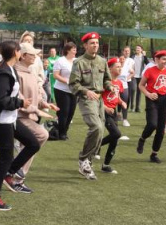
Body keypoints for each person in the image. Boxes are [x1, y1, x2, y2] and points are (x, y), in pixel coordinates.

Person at [0, 40, 35, 210]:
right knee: (5, 158)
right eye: (20, 51)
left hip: (10, 119)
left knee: (33, 143)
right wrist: (20, 103)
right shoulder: (4, 73)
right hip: (2, 121)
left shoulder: (9, 69)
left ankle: (9, 174)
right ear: (16, 52)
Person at [69, 32, 113, 180]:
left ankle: (88, 162)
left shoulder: (102, 61)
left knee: (100, 132)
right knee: (96, 127)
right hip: (86, 99)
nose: (95, 45)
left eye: (97, 43)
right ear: (85, 45)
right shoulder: (79, 62)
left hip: (100, 100)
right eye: (92, 43)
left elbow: (107, 79)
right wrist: (86, 91)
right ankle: (83, 159)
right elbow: (73, 84)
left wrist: (110, 86)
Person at [14, 42, 58, 181]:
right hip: (18, 116)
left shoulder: (30, 71)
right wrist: (38, 111)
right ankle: (16, 170)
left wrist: (44, 103)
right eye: (32, 54)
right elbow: (18, 98)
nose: (35, 56)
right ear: (23, 55)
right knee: (41, 135)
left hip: (29, 115)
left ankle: (17, 175)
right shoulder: (16, 73)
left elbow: (35, 95)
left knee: (28, 144)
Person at [137, 50, 166, 164]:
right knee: (152, 124)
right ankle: (142, 139)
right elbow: (141, 85)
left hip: (164, 100)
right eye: (163, 59)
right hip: (152, 99)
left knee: (161, 129)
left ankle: (154, 154)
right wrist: (148, 94)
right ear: (157, 60)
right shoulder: (149, 71)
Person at [98, 58, 125, 173]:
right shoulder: (104, 82)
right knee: (116, 133)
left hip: (113, 111)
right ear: (110, 68)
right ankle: (97, 146)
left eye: (120, 66)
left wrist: (121, 102)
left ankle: (106, 165)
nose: (120, 68)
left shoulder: (119, 82)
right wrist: (106, 108)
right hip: (104, 111)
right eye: (117, 66)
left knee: (115, 138)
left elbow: (116, 96)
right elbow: (97, 98)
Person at [52, 42, 77, 140]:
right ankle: (62, 133)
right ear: (67, 50)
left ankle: (64, 130)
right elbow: (56, 75)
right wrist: (67, 81)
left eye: (75, 48)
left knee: (71, 112)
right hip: (61, 90)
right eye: (73, 48)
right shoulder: (60, 60)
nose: (75, 50)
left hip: (73, 90)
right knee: (64, 112)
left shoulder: (76, 61)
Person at [117, 46, 135, 126]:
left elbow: (132, 72)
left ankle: (125, 120)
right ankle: (114, 117)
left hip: (124, 86)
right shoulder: (116, 66)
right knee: (113, 101)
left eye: (123, 59)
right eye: (120, 59)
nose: (122, 60)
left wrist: (127, 78)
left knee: (125, 101)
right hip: (116, 86)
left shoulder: (127, 66)